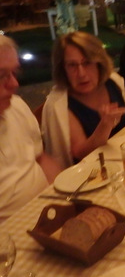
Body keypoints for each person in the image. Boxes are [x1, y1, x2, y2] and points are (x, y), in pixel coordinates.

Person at [42, 32, 125, 168]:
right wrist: (105, 126)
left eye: (87, 63)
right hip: (93, 174)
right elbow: (80, 153)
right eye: (72, 65)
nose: (81, 73)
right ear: (63, 69)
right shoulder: (60, 105)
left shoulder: (113, 82)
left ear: (99, 63)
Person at [0, 35, 61, 222]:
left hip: (47, 213)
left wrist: (66, 197)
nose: (14, 84)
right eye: (1, 75)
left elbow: (41, 158)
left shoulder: (16, 106)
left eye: (14, 73)